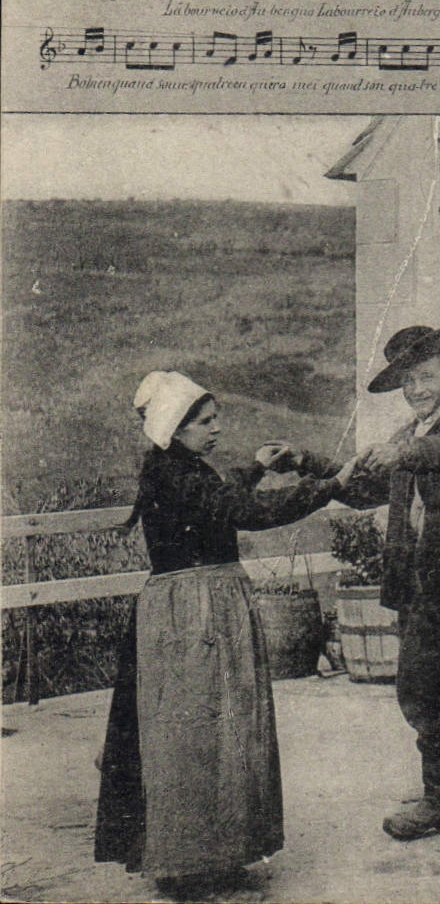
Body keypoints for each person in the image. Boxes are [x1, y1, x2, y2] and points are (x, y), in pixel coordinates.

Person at [95, 372, 354, 897]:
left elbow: (225, 494)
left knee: (218, 731)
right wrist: (330, 488)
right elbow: (244, 512)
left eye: (216, 419)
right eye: (205, 422)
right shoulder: (176, 475)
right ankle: (187, 864)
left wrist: (258, 466)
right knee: (193, 735)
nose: (217, 429)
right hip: (192, 614)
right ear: (175, 426)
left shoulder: (179, 467)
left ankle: (213, 854)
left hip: (200, 606)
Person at [281, 325, 440, 870]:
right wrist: (306, 461)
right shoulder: (408, 436)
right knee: (423, 698)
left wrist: (405, 450)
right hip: (420, 594)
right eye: (409, 382)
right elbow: (361, 489)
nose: (418, 390)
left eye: (427, 377)